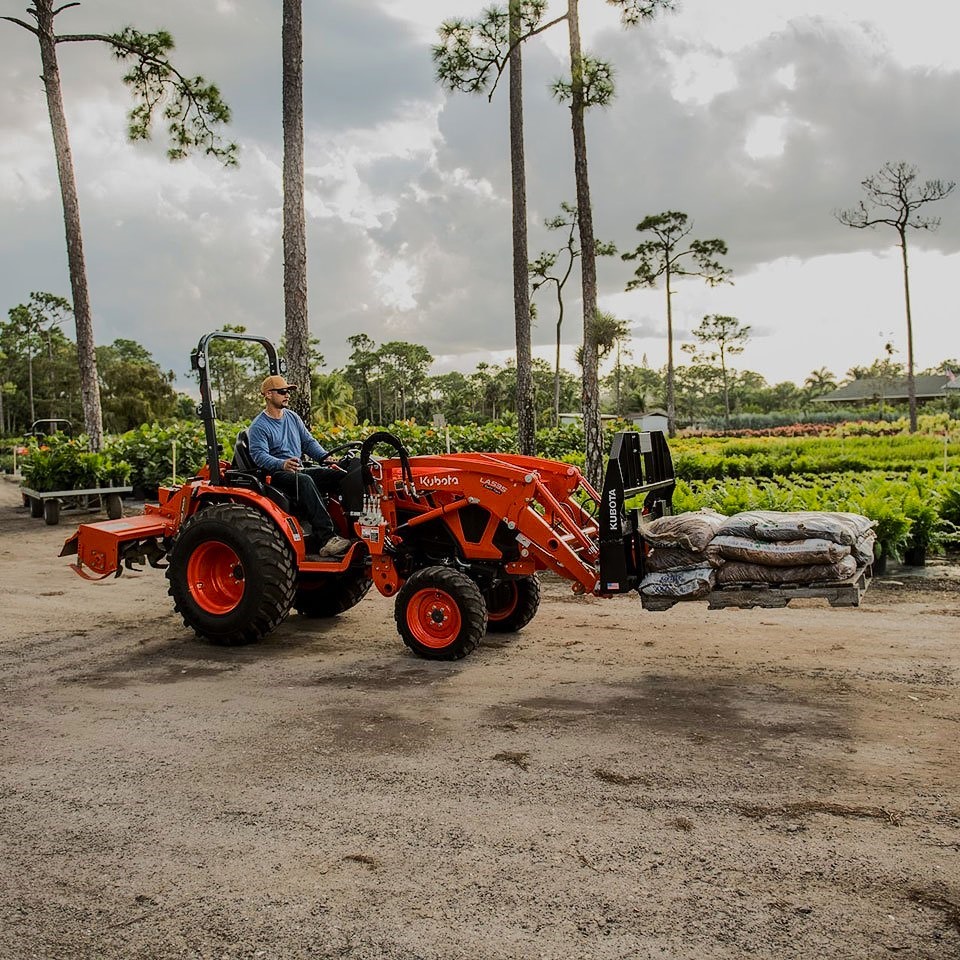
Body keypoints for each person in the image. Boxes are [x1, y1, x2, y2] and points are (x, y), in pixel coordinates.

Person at [247, 375, 351, 557]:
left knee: (340, 476)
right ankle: (327, 538)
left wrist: (325, 458)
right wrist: (282, 463)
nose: (287, 395)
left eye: (288, 391)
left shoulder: (292, 418)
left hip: (298, 468)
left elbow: (308, 442)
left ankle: (352, 528)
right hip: (276, 474)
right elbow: (259, 456)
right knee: (304, 480)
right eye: (282, 392)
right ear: (269, 395)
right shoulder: (259, 426)